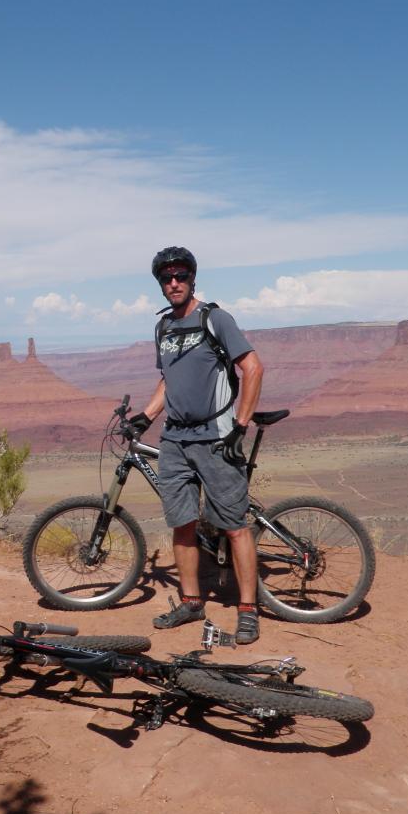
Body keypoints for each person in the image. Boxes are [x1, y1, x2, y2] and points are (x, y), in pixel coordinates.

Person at [127, 246, 264, 644]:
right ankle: (191, 602)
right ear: (160, 284)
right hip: (175, 439)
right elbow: (168, 380)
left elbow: (252, 367)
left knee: (235, 526)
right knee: (182, 524)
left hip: (216, 438)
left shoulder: (215, 318)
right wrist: (147, 415)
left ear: (192, 278)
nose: (174, 283)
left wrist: (240, 425)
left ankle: (248, 610)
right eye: (166, 278)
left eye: (181, 276)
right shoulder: (164, 327)